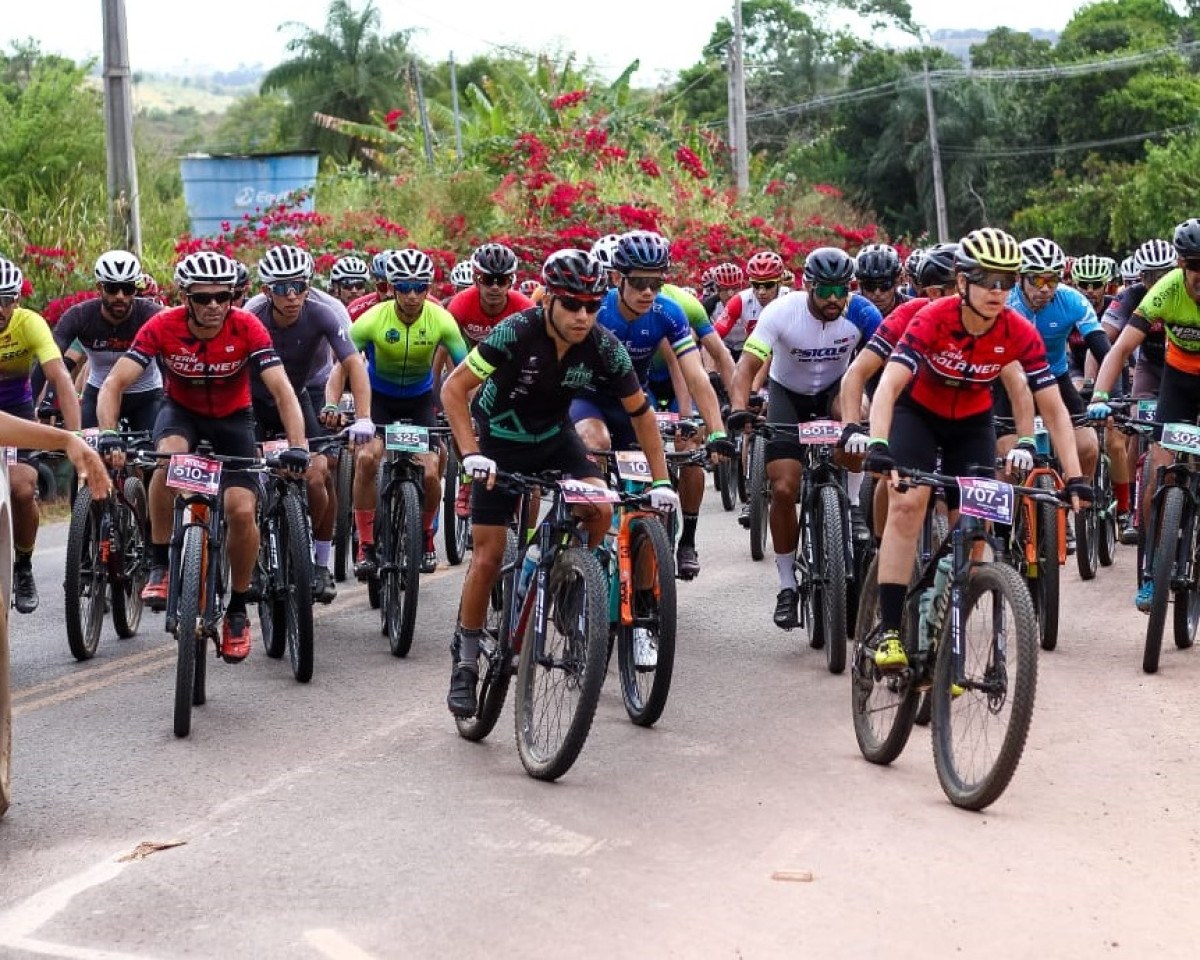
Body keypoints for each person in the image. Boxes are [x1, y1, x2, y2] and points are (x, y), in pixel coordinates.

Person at [440, 249, 679, 717]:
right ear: (548, 299)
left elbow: (641, 413)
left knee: (601, 509)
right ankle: (465, 661)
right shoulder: (516, 331)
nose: (583, 316)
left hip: (554, 436)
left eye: (592, 306)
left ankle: (571, 584)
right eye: (572, 305)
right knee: (489, 553)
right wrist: (471, 455)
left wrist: (661, 480)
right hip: (499, 438)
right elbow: (454, 388)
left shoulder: (604, 346)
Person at [864, 228, 1089, 671]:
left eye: (1006, 280)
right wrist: (878, 444)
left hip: (972, 423)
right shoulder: (932, 318)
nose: (997, 290)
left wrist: (1076, 475)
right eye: (986, 279)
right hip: (918, 416)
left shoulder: (1018, 331)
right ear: (962, 281)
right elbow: (889, 385)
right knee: (907, 505)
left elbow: (1054, 408)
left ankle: (945, 639)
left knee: (975, 531)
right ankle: (889, 630)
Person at [97, 250, 310, 663]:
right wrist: (108, 433)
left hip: (234, 419)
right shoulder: (163, 326)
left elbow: (283, 391)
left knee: (242, 511)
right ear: (185, 297)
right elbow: (113, 384)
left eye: (223, 297)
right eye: (203, 298)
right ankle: (160, 562)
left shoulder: (247, 326)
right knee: (168, 460)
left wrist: (298, 445)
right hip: (182, 414)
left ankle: (237, 609)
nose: (214, 306)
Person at [726, 247, 881, 628]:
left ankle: (854, 507)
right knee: (783, 488)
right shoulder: (781, 312)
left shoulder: (862, 314)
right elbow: (746, 367)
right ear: (808, 285)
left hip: (835, 392)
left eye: (841, 290)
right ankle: (786, 585)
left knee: (857, 420)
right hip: (787, 397)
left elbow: (887, 367)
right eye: (825, 290)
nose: (833, 299)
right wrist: (738, 408)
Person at [570, 230, 733, 579]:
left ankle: (644, 607)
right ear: (618, 278)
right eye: (639, 282)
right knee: (595, 444)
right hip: (589, 400)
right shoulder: (596, 311)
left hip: (634, 406)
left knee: (650, 504)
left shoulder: (669, 313)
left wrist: (717, 430)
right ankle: (588, 538)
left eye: (656, 283)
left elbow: (695, 375)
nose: (648, 292)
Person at [246, 245, 374, 602]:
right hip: (252, 399)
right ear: (266, 290)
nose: (292, 296)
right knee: (245, 482)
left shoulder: (326, 311)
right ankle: (253, 563)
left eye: (299, 286)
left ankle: (319, 562)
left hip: (305, 390)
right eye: (282, 288)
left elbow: (352, 365)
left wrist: (361, 416)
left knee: (319, 473)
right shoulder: (250, 315)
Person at [1088, 219, 1200, 610]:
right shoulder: (1165, 291)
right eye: (1194, 266)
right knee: (1156, 468)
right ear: (1181, 267)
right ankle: (1152, 571)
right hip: (1178, 382)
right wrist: (1101, 393)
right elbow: (1118, 349)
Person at [350, 248, 468, 577]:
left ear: (429, 289)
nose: (413, 296)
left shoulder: (442, 319)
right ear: (390, 287)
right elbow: (344, 364)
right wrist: (342, 406)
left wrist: (473, 410)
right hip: (379, 400)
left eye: (421, 288)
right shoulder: (373, 319)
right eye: (404, 288)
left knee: (431, 470)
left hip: (420, 402)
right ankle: (366, 544)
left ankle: (426, 536)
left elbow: (467, 369)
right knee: (365, 459)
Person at [0, 256, 83, 613]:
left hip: (17, 416)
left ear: (16, 301)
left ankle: (23, 565)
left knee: (21, 488)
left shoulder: (29, 324)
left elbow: (60, 377)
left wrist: (76, 438)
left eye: (5, 300)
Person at [53, 250, 162, 433]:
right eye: (112, 288)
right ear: (99, 288)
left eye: (127, 289)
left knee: (153, 453)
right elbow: (58, 360)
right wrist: (49, 401)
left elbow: (169, 360)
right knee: (85, 450)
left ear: (135, 290)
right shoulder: (82, 316)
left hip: (146, 395)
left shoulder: (151, 314)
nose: (120, 296)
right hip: (97, 392)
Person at [855, 243, 909, 317]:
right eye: (869, 286)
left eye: (885, 285)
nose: (877, 293)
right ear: (859, 285)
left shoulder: (912, 310)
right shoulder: (847, 309)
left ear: (896, 283)